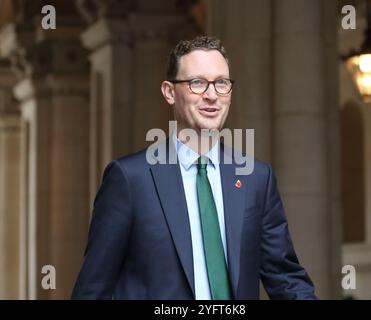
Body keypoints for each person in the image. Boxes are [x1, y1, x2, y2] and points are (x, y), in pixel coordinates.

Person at [71, 36, 317, 300]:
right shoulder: (130, 179)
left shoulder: (256, 178)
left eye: (221, 83)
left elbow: (286, 279)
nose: (212, 95)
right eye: (197, 83)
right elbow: (93, 289)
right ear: (169, 92)